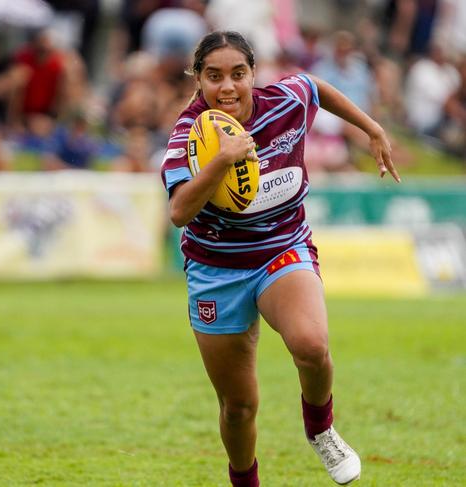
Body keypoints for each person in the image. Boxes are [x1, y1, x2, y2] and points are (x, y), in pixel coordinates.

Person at [160, 31, 400, 486]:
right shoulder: (187, 134)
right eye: (214, 76)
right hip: (217, 273)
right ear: (198, 80)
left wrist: (372, 128)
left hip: (282, 250)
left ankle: (321, 430)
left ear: (254, 73)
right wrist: (221, 161)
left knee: (312, 346)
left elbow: (315, 86)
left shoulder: (283, 103)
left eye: (238, 74)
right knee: (238, 407)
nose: (227, 87)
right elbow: (178, 212)